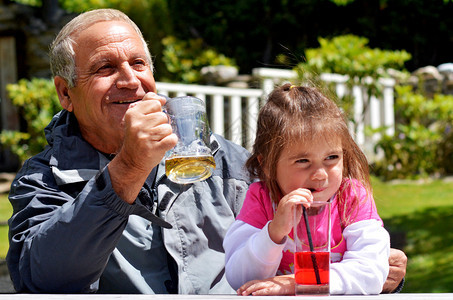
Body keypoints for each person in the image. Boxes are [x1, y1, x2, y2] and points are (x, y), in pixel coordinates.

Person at [6, 8, 406, 294]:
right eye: (105, 68)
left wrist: (366, 271)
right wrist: (128, 168)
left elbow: (299, 241)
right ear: (65, 93)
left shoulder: (223, 161)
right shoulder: (43, 180)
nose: (130, 80)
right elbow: (43, 279)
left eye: (139, 63)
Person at [223, 84, 392, 295]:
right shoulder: (262, 198)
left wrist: (298, 282)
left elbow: (371, 272)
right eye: (303, 161)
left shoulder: (351, 197)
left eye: (332, 158)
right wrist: (273, 233)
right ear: (267, 165)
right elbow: (239, 278)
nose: (320, 174)